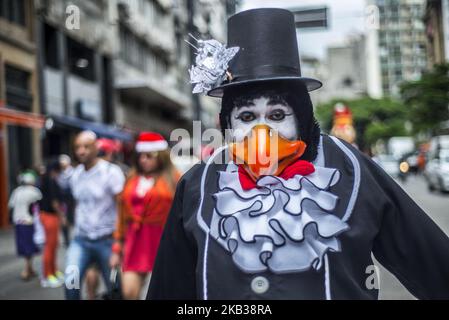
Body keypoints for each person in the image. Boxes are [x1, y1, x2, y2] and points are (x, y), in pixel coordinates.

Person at [147, 8, 449, 300]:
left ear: (301, 118)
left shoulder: (350, 168)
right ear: (227, 123)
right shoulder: (198, 183)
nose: (261, 132)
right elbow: (169, 286)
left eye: (278, 115)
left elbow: (431, 263)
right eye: (247, 117)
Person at [110, 132, 180, 299]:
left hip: (164, 241)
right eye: (141, 156)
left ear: (161, 156)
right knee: (128, 292)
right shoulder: (132, 178)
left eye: (149, 156)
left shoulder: (175, 178)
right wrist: (117, 247)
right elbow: (121, 215)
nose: (143, 160)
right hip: (135, 242)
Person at [65, 131, 125, 300]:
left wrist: (119, 244)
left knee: (115, 289)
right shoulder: (75, 175)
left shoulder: (111, 172)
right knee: (71, 282)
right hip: (81, 240)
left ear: (96, 147)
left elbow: (122, 208)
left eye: (86, 146)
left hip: (106, 241)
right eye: (77, 147)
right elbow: (78, 205)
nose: (81, 151)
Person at [8, 171, 42, 281]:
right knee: (29, 246)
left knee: (24, 245)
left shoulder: (16, 191)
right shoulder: (34, 191)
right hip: (29, 221)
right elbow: (40, 204)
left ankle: (29, 269)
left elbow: (11, 205)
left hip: (18, 221)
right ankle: (26, 270)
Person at [39, 160, 66, 288]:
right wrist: (62, 216)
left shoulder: (48, 179)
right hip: (50, 216)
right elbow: (55, 202)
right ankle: (47, 275)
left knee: (53, 245)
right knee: (50, 246)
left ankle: (53, 271)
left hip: (49, 215)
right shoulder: (51, 180)